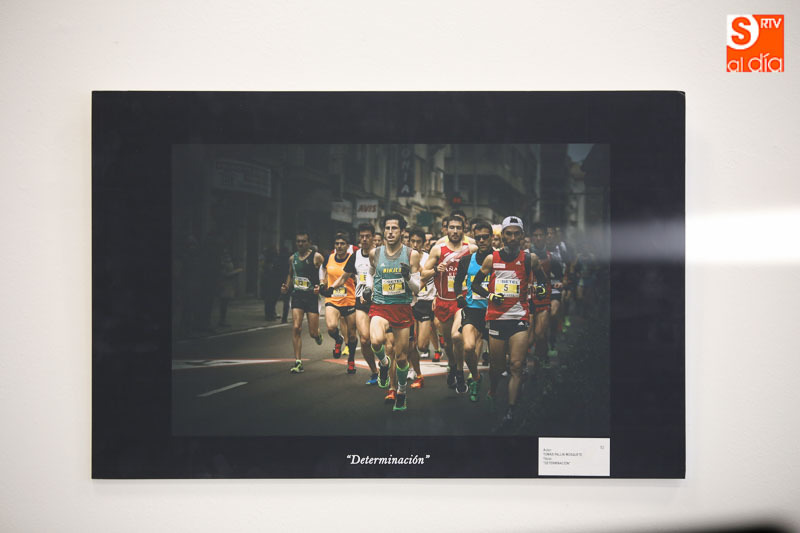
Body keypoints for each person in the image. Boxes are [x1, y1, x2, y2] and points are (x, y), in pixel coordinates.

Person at [471, 216, 548, 423]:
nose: (513, 238)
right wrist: (490, 296)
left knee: (516, 365)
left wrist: (540, 289)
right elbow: (475, 285)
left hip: (519, 318)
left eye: (516, 234)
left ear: (522, 235)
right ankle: (493, 390)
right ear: (502, 235)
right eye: (508, 234)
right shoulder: (492, 259)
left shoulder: (530, 259)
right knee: (497, 368)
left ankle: (511, 410)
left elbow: (542, 281)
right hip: (497, 318)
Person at [367, 214, 422, 411]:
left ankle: (401, 391)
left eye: (394, 228)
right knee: (375, 341)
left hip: (402, 308)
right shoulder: (375, 253)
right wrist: (367, 288)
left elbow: (417, 288)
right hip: (380, 305)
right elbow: (371, 274)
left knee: (401, 358)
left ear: (402, 231)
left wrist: (407, 277)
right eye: (387, 228)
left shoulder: (411, 254)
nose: (390, 232)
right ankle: (383, 364)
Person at [421, 215, 477, 394]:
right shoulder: (438, 249)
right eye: (452, 227)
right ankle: (452, 364)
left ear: (463, 229)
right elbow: (423, 274)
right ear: (446, 229)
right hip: (443, 302)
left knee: (456, 337)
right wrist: (435, 270)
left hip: (462, 302)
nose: (455, 231)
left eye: (458, 228)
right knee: (447, 344)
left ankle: (460, 372)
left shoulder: (471, 249)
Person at [453, 220, 493, 402]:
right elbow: (457, 281)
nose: (482, 240)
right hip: (473, 310)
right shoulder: (467, 260)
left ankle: (495, 392)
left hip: (495, 312)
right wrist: (459, 296)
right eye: (478, 238)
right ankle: (476, 377)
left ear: (491, 238)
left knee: (499, 360)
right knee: (468, 347)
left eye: (485, 237)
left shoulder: (499, 259)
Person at [281, 231, 325, 374]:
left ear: (309, 242)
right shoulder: (292, 258)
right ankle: (298, 362)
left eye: (303, 241)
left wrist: (321, 285)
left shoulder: (316, 257)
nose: (300, 244)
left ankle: (317, 335)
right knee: (296, 327)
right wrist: (287, 286)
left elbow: (325, 272)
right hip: (297, 296)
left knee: (312, 332)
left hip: (312, 297)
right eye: (298, 241)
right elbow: (290, 274)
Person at [319, 232, 359, 373]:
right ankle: (338, 339)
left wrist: (355, 278)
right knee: (331, 327)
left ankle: (351, 360)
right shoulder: (329, 258)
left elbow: (359, 276)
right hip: (333, 299)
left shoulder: (352, 259)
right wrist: (322, 283)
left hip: (349, 300)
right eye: (337, 244)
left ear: (347, 246)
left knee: (352, 334)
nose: (339, 246)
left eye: (342, 244)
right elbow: (322, 269)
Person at [352, 223, 380, 384]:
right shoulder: (355, 255)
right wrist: (331, 287)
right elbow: (345, 275)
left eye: (367, 236)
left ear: (373, 237)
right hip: (361, 301)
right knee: (364, 340)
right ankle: (374, 372)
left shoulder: (380, 254)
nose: (364, 239)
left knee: (379, 340)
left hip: (379, 301)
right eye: (361, 236)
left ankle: (385, 363)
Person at [408, 227, 433, 389]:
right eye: (413, 241)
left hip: (426, 302)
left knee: (422, 345)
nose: (415, 244)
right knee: (410, 344)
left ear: (424, 243)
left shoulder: (429, 259)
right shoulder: (405, 257)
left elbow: (432, 275)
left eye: (418, 242)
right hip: (410, 303)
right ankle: (413, 369)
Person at [528, 223, 554, 368]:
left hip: (544, 300)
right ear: (531, 237)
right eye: (535, 235)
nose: (538, 238)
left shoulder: (552, 256)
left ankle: (540, 365)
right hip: (528, 301)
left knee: (540, 334)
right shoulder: (525, 255)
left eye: (541, 235)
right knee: (529, 339)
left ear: (545, 237)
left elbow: (558, 278)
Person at [218, 246, 243, 327]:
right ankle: (222, 320)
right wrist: (236, 271)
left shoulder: (227, 260)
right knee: (223, 303)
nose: (227, 254)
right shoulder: (222, 262)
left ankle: (223, 320)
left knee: (225, 303)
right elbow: (225, 274)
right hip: (224, 284)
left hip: (229, 284)